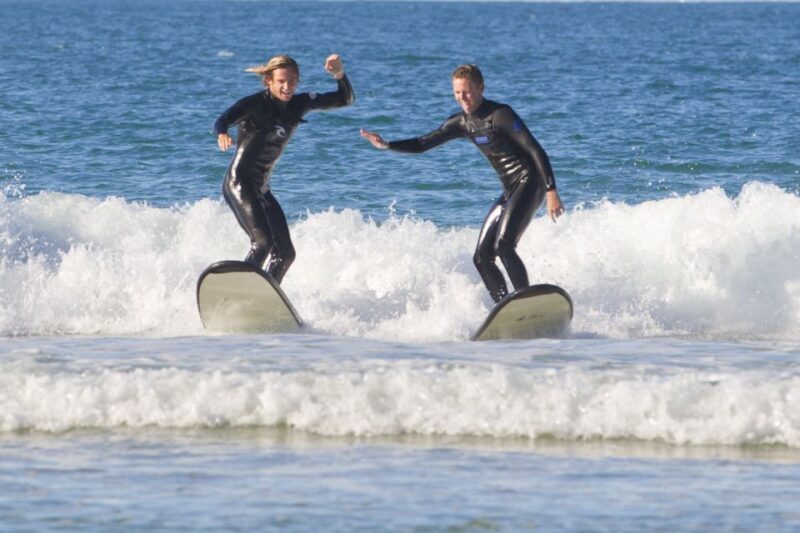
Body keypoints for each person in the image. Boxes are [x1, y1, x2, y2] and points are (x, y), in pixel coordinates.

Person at [360, 64, 564, 303]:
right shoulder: (461, 123)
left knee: (504, 245)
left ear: (480, 88)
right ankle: (504, 306)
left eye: (466, 91)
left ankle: (527, 302)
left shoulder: (501, 115)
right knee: (481, 257)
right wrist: (387, 145)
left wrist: (551, 190)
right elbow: (423, 143)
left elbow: (536, 149)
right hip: (510, 189)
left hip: (531, 181)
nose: (462, 98)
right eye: (457, 93)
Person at [214, 54, 354, 283]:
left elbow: (345, 99)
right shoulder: (254, 103)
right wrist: (222, 133)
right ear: (269, 80)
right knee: (263, 243)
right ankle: (239, 290)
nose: (287, 87)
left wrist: (339, 74)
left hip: (262, 189)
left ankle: (265, 297)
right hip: (239, 182)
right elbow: (222, 119)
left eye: (292, 81)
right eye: (281, 81)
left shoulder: (300, 104)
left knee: (286, 254)